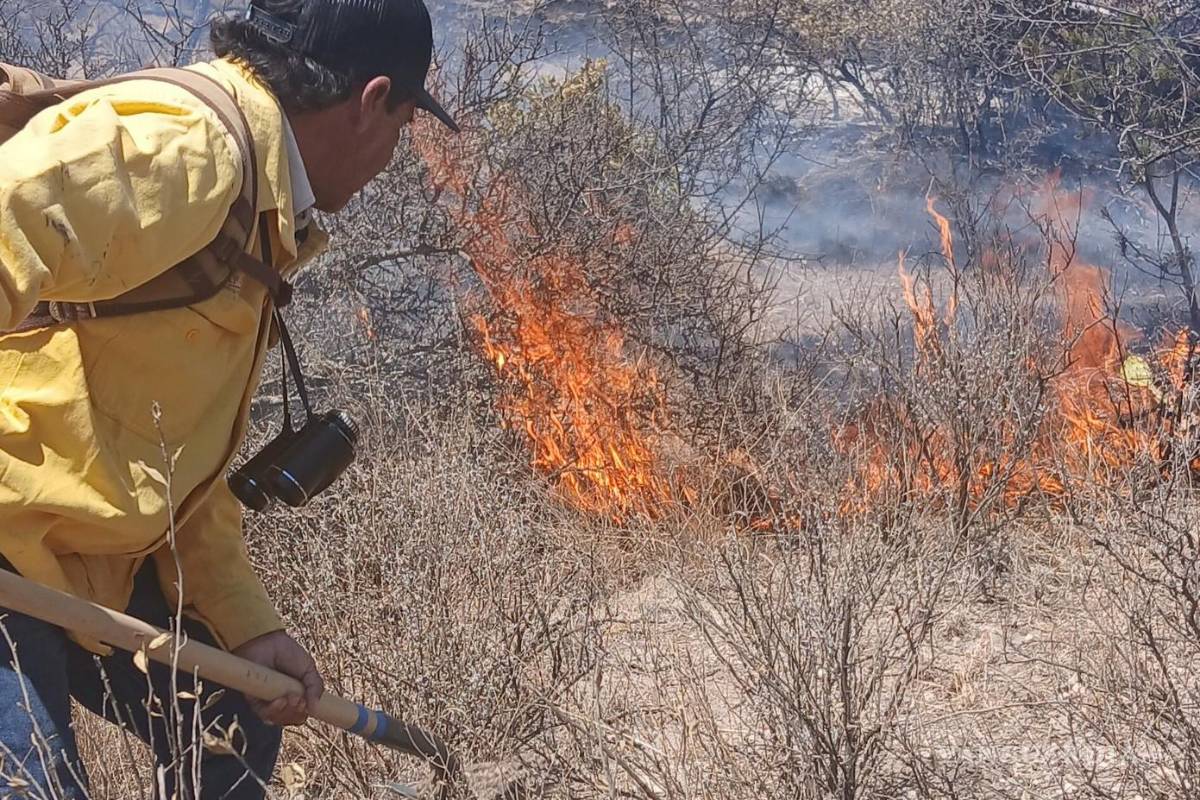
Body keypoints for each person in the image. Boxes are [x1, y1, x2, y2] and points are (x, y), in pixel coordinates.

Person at [0, 0, 457, 797]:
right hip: (10, 540)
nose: (395, 151)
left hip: (78, 547)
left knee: (234, 719)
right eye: (406, 122)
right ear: (372, 99)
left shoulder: (256, 200)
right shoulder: (186, 151)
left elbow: (172, 460)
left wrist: (248, 626)